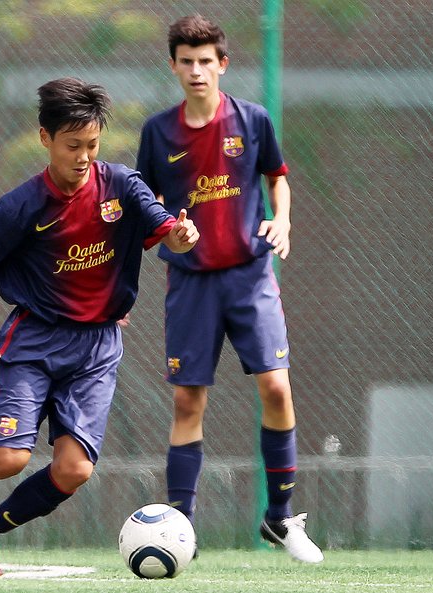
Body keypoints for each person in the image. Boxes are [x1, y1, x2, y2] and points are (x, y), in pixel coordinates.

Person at [0, 77, 199, 577]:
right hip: (33, 342)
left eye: (92, 145)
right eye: (73, 146)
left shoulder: (123, 187)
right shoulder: (23, 205)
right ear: (45, 139)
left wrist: (183, 234)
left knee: (74, 470)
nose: (83, 157)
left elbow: (170, 238)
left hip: (97, 349)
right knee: (7, 459)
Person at [134, 14, 323, 563]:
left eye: (205, 61)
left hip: (249, 275)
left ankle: (281, 518)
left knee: (277, 387)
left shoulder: (253, 120)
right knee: (189, 400)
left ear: (222, 64)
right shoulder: (158, 132)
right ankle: (180, 530)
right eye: (186, 61)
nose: (196, 71)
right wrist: (171, 228)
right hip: (190, 283)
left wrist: (282, 220)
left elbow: (277, 176)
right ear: (174, 66)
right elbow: (143, 205)